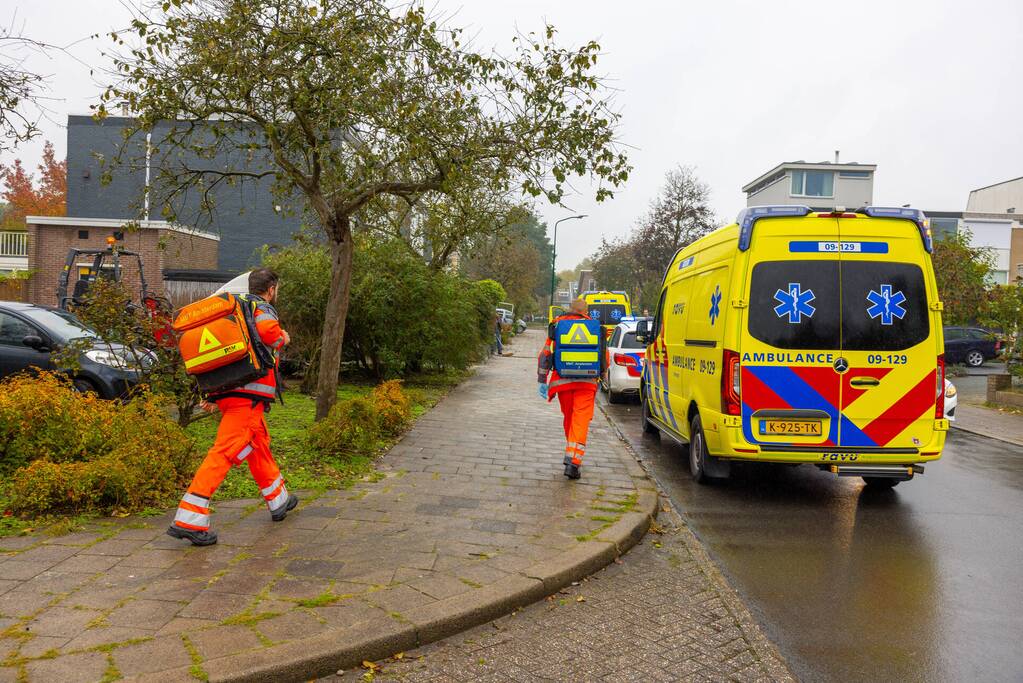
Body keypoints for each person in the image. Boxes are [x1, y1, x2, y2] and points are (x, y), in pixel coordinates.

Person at [167, 268, 298, 546]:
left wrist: (214, 395)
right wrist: (282, 338)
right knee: (225, 452)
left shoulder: (237, 309)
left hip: (230, 390)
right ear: (271, 288)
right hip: (249, 395)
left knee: (258, 445)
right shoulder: (261, 307)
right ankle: (189, 518)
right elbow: (268, 333)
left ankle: (279, 500)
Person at [537, 297, 598, 479]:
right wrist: (601, 375)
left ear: (570, 309)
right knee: (580, 421)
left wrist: (542, 377)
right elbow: (603, 356)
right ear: (586, 312)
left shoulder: (557, 325)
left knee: (570, 419)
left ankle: (571, 455)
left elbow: (546, 353)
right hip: (587, 383)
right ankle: (573, 462)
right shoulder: (594, 327)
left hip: (562, 382)